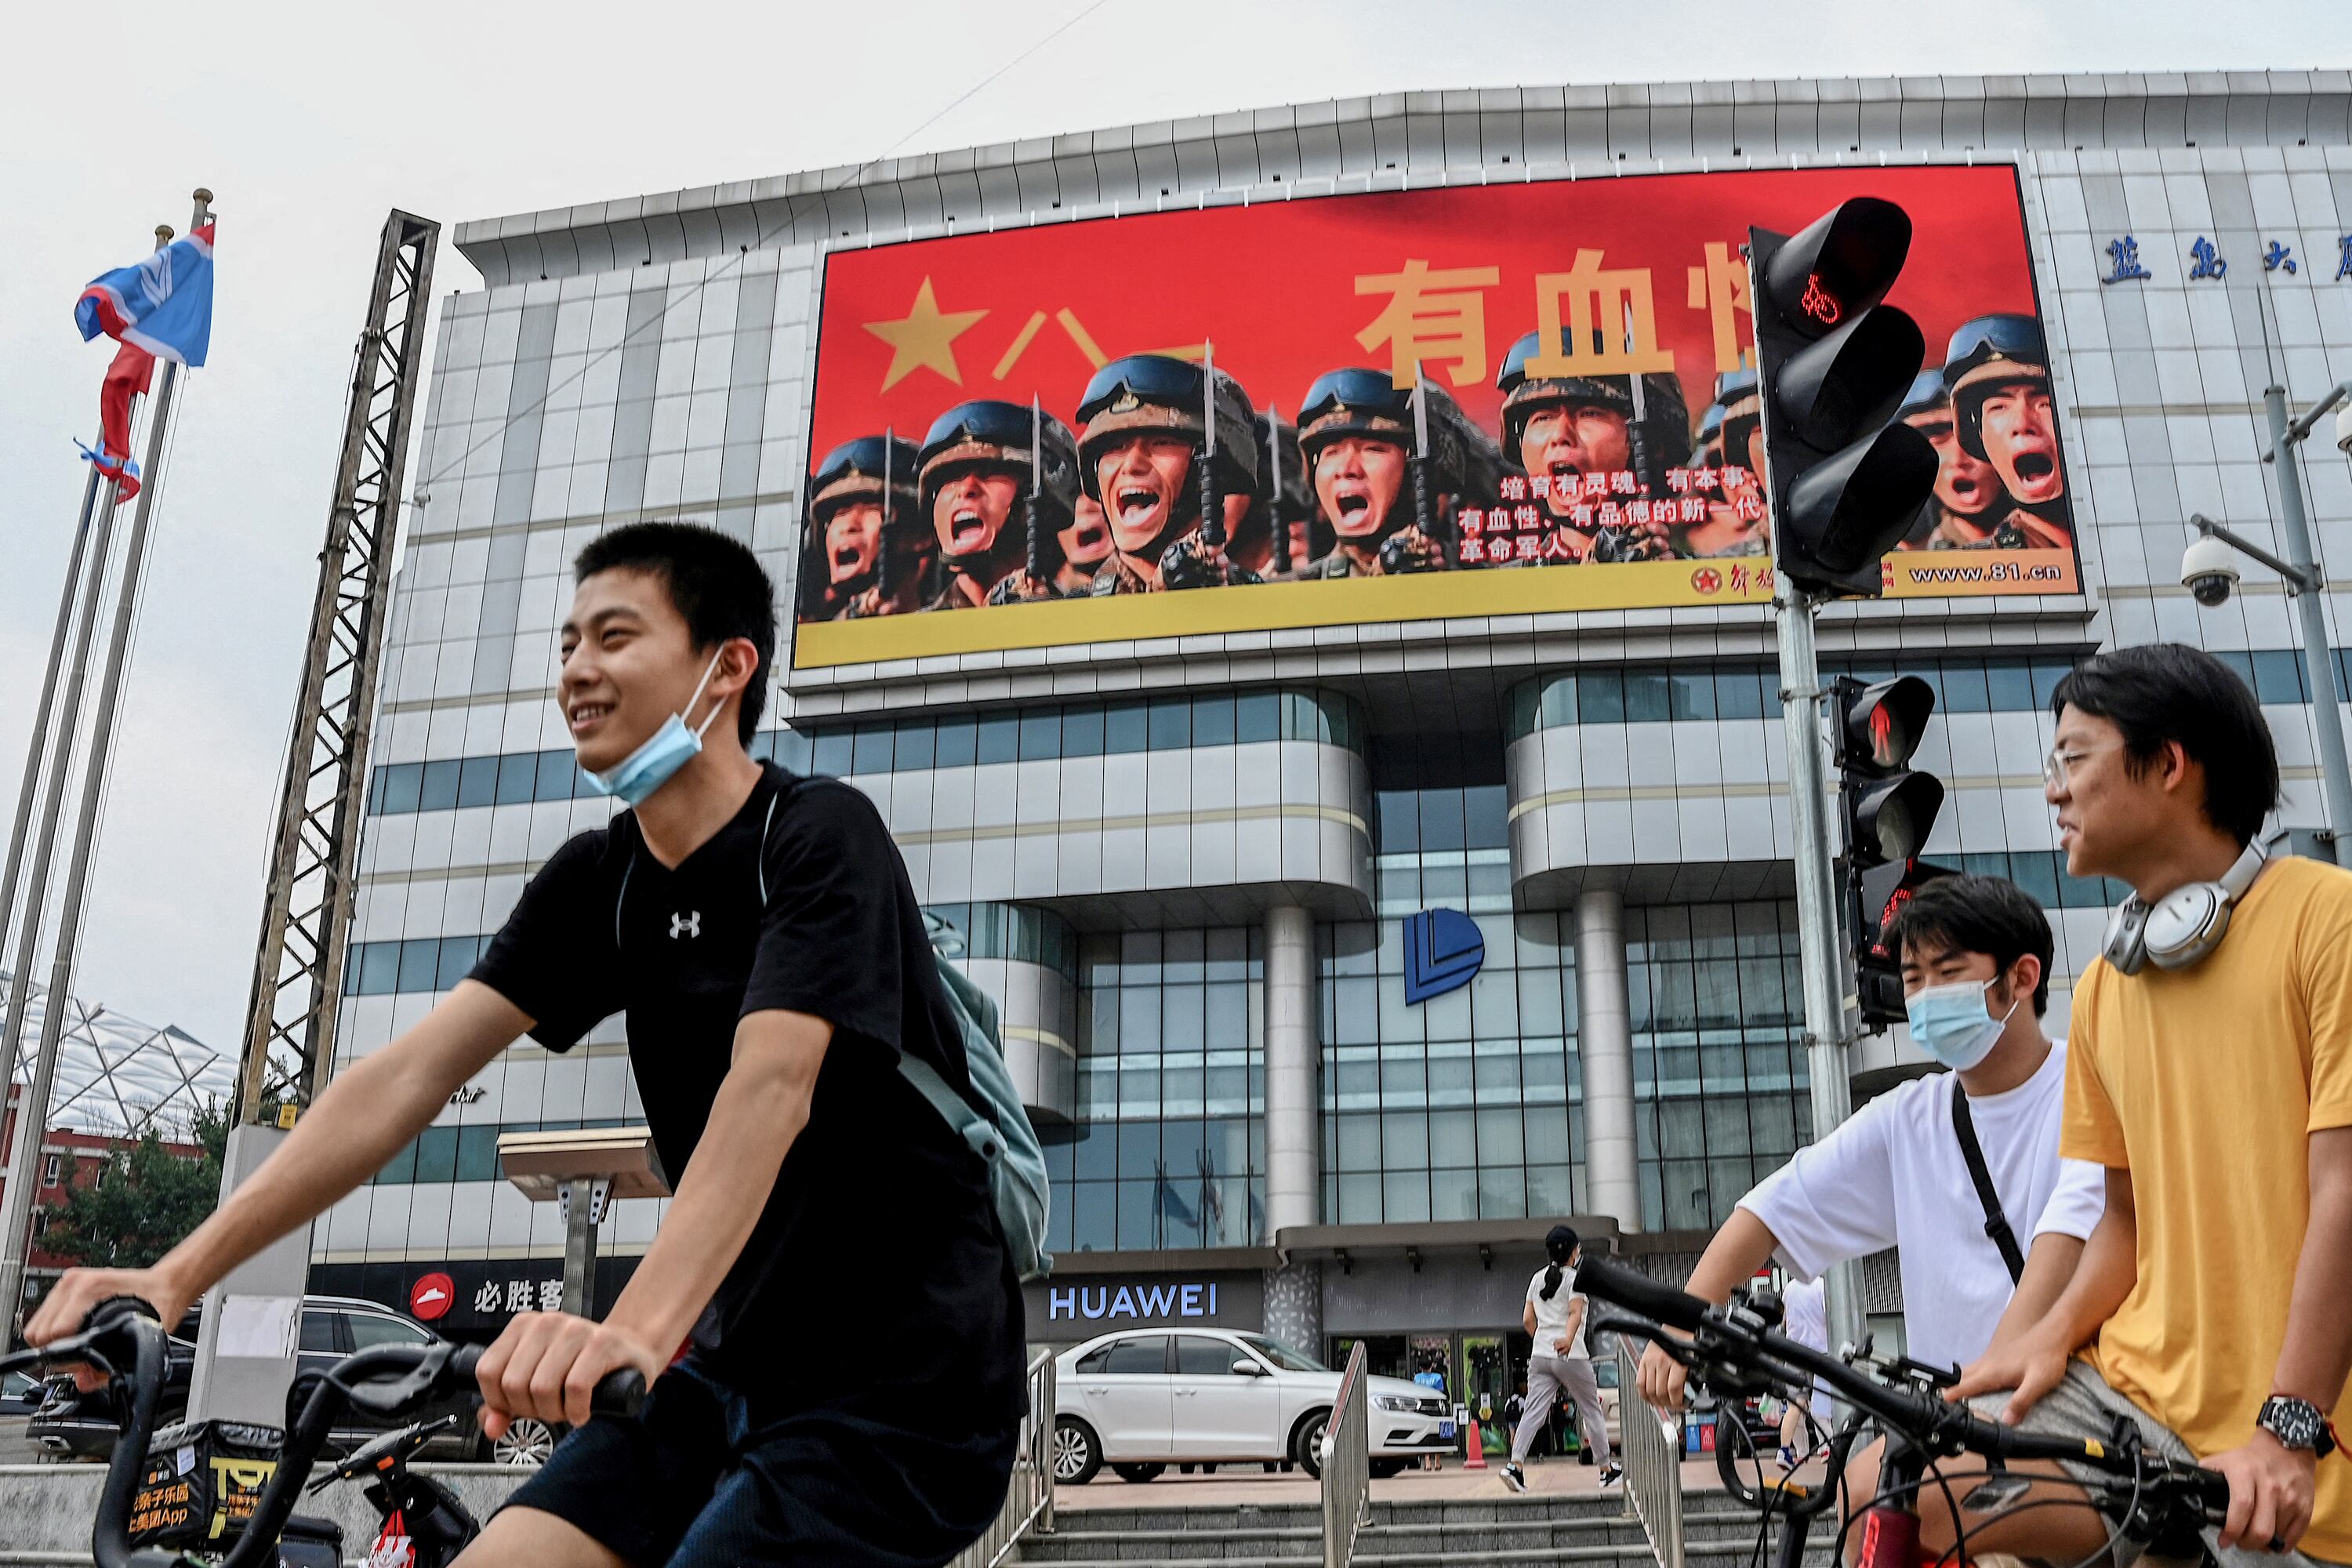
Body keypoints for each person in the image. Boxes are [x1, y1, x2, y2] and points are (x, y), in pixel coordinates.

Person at [30, 522, 1028, 1568]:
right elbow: (405, 1079)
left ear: (729, 668)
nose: (576, 672)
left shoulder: (817, 837)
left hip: (906, 1384)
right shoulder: (606, 882)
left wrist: (629, 1332)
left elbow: (768, 1088)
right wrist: (176, 1275)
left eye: (613, 637)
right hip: (728, 1366)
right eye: (565, 646)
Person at [1948, 644, 2352, 1568]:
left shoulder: (2328, 919)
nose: (2055, 792)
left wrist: (2289, 1430)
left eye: (2073, 759)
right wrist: (2047, 1336)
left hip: (2287, 1440)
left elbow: (2345, 1191)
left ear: (2169, 764)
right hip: (2128, 1397)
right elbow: (2123, 1223)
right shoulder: (2103, 993)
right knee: (1901, 1484)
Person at [1637, 874, 2103, 1416]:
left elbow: (2070, 1235)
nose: (1927, 997)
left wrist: (1990, 1385)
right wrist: (1682, 1321)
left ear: (2021, 977)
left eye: (1948, 974)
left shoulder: (2092, 1087)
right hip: (1951, 1425)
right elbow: (1773, 1209)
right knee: (1858, 1492)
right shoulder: (1909, 1118)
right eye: (1913, 979)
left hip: (2075, 1416)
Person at [1494, 330, 1689, 562]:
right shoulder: (1503, 590)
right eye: (1543, 418)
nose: (1560, 434)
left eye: (1590, 414)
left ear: (1649, 444)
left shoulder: (1699, 581)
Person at [1074, 354, 1261, 593]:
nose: (1132, 464)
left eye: (1163, 442)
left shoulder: (1258, 600)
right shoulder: (1059, 613)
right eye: (1115, 447)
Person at [918, 400, 1078, 608]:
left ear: (1042, 503)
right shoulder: (909, 634)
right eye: (951, 478)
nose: (967, 488)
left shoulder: (1079, 621)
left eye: (990, 473)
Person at [1503, 1225, 1620, 1494]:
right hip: (1571, 1355)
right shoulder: (1575, 1279)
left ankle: (1515, 1465)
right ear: (1573, 1252)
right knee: (1591, 1409)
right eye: (1578, 1248)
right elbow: (1575, 1313)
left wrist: (1543, 1339)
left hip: (1541, 1355)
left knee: (1533, 1411)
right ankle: (1606, 1469)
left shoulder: (1537, 1278)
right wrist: (1567, 1339)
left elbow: (1527, 1320)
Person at [1943, 314, 2072, 551]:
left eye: (2045, 403)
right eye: (1999, 407)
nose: (2022, 423)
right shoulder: (1975, 575)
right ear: (1978, 434)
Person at [804, 433, 929, 619]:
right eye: (839, 515)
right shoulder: (813, 638)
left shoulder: (955, 615)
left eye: (871, 510)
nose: (848, 526)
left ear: (919, 534)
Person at [1891, 370, 2013, 550]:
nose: (1959, 459)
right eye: (1937, 438)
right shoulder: (1907, 559)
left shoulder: (2053, 541)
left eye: (1974, 437)